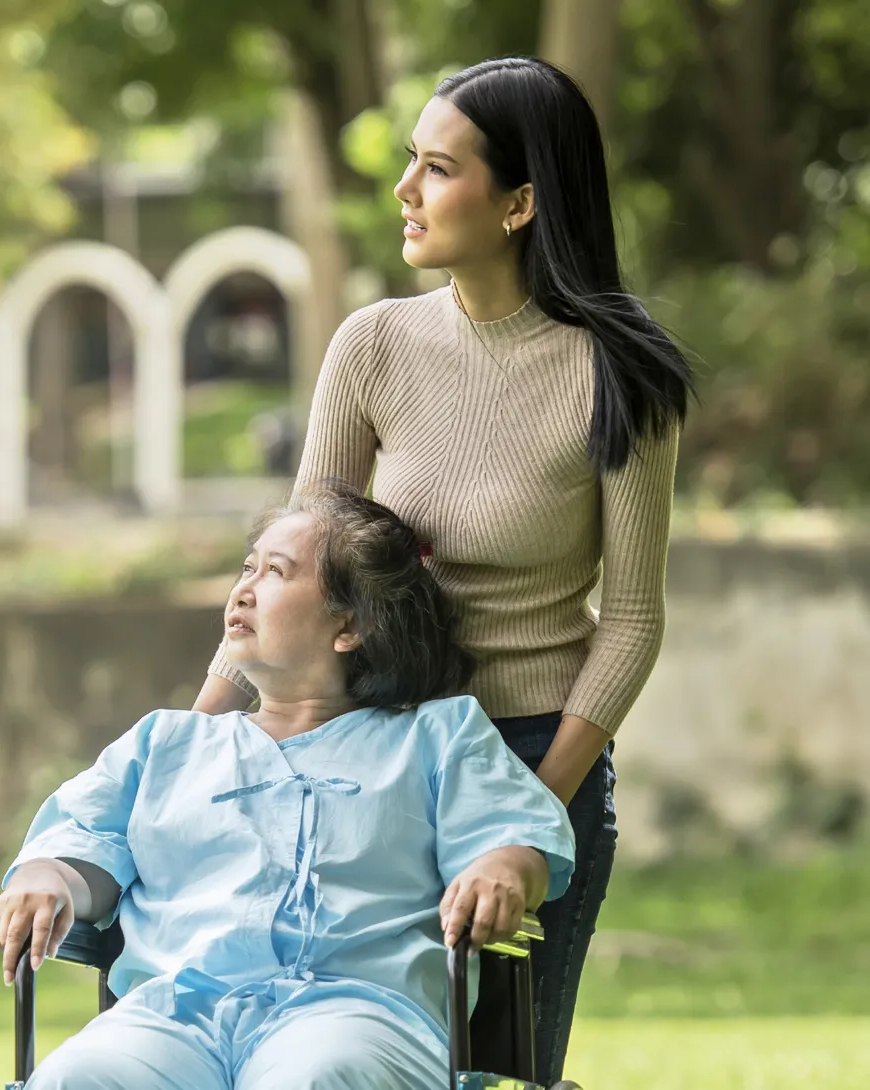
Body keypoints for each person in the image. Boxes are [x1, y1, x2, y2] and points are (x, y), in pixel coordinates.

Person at [194, 57, 695, 1085]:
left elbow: (633, 618)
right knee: (344, 1049)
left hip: (528, 751)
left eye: (435, 167)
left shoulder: (620, 375)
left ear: (518, 203)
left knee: (502, 1065)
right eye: (409, 163)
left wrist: (528, 811)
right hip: (373, 756)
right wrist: (201, 731)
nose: (404, 191)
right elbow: (295, 564)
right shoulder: (374, 344)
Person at [0, 484, 576, 1090]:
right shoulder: (164, 745)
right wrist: (46, 879)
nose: (243, 587)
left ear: (348, 626)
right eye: (247, 567)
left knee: (317, 1077)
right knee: (78, 1076)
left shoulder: (438, 735)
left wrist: (503, 869)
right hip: (173, 1016)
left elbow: (512, 834)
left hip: (356, 1012)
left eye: (276, 572)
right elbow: (82, 844)